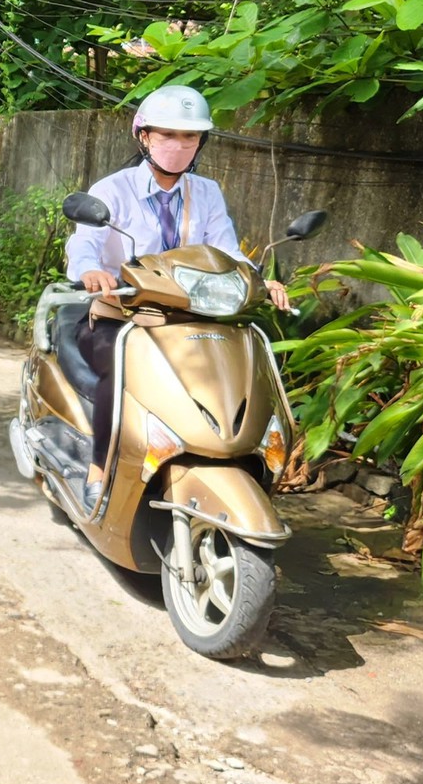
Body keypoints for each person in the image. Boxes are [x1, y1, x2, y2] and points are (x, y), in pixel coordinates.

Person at [63, 85, 290, 511]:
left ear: (201, 142)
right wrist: (90, 271)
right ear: (144, 136)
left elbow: (227, 250)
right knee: (123, 373)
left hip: (190, 320)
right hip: (122, 316)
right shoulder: (113, 190)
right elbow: (85, 243)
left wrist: (261, 280)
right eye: (167, 135)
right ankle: (99, 469)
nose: (179, 146)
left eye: (189, 137)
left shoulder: (206, 192)